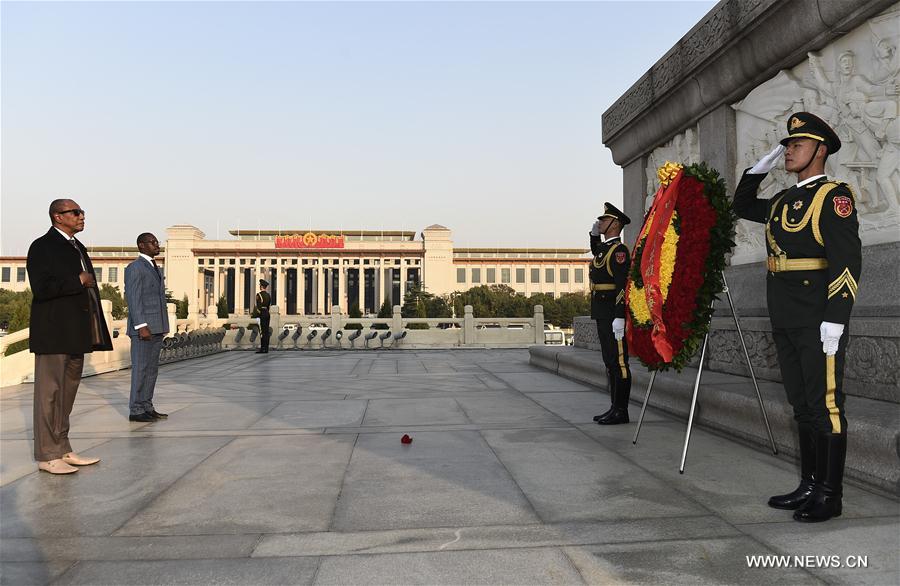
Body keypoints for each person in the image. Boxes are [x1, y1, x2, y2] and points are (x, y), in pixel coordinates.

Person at [733, 111, 861, 523]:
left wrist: (836, 317)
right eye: (786, 146)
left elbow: (847, 260)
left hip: (818, 315)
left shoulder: (834, 197)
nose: (789, 151)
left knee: (826, 404)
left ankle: (830, 493)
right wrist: (759, 169)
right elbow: (742, 205)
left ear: (820, 150)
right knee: (802, 404)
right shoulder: (784, 202)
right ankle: (808, 484)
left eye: (797, 145)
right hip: (786, 314)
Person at [26, 199, 112, 474]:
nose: (81, 216)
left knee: (67, 395)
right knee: (48, 395)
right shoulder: (42, 246)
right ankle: (47, 455)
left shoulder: (77, 247)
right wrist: (78, 280)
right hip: (54, 333)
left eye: (82, 211)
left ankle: (62, 448)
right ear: (57, 216)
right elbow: (41, 288)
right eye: (75, 212)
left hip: (76, 333)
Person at [589, 202, 632, 425]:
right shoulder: (607, 249)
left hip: (612, 313)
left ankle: (621, 410)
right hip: (601, 312)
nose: (600, 223)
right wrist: (593, 235)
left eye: (604, 221)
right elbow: (597, 252)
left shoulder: (619, 252)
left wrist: (619, 315)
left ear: (615, 224)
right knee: (609, 362)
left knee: (620, 362)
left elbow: (622, 285)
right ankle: (614, 407)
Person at [124, 233, 169, 423]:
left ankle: (147, 405)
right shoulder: (135, 268)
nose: (157, 245)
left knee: (152, 369)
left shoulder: (155, 267)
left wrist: (164, 325)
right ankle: (135, 409)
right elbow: (134, 299)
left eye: (157, 242)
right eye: (153, 242)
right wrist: (141, 325)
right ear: (141, 245)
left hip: (157, 326)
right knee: (140, 368)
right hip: (143, 328)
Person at [255, 279, 272, 353]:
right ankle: (266, 348)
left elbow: (258, 307)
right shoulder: (268, 295)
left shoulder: (259, 295)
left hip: (262, 314)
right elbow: (268, 306)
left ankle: (263, 348)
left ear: (261, 286)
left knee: (262, 331)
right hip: (267, 313)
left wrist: (258, 315)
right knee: (266, 331)